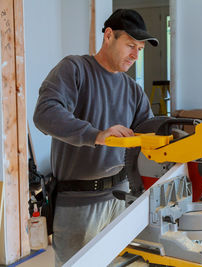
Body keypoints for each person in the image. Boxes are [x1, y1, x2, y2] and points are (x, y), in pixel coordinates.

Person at [33, 9, 157, 266]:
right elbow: (45, 113)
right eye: (130, 46)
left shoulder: (132, 89)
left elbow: (149, 132)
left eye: (140, 49)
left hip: (120, 197)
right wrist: (96, 135)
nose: (135, 55)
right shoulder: (75, 69)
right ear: (109, 36)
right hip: (79, 203)